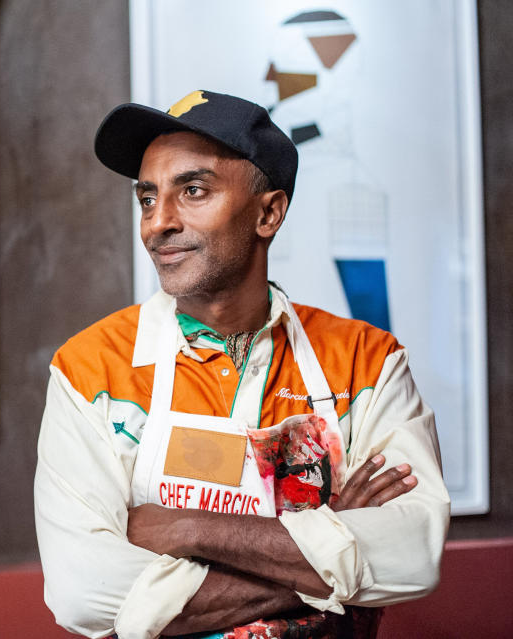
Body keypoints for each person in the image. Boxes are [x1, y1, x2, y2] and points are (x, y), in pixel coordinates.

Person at [33, 90, 450, 639]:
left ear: (269, 212)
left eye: (193, 190)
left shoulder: (366, 361)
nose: (158, 223)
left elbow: (413, 554)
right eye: (148, 197)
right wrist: (336, 555)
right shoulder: (91, 369)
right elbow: (82, 590)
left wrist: (185, 529)